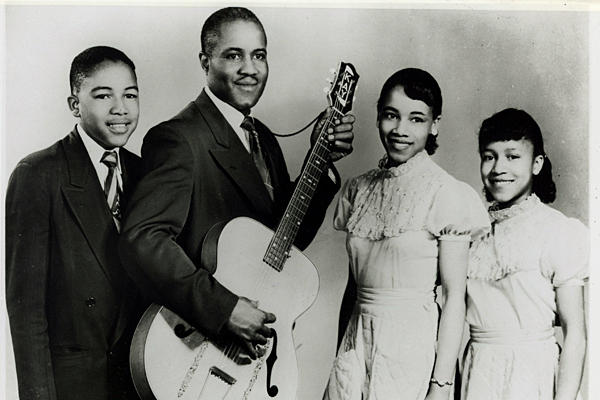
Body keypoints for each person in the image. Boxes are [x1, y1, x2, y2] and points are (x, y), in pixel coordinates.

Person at [119, 6, 354, 361]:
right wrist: (225, 308)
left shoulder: (263, 138)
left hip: (248, 354)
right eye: (233, 55)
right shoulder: (178, 138)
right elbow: (143, 240)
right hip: (195, 349)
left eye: (259, 55)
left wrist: (319, 163)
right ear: (205, 61)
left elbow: (282, 244)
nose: (250, 68)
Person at [324, 68, 489, 400]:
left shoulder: (446, 193)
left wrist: (441, 385)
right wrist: (340, 356)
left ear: (434, 125)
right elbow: (353, 289)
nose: (400, 129)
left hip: (410, 350)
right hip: (355, 344)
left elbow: (455, 298)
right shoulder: (359, 189)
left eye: (416, 119)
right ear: (378, 117)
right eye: (391, 115)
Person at [5, 46, 145, 400]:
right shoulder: (39, 174)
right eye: (103, 96)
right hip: (74, 386)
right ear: (74, 105)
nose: (120, 109)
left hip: (138, 378)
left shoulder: (145, 172)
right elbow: (27, 311)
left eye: (130, 95)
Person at [461, 108, 588, 400]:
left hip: (533, 374)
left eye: (512, 156)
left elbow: (575, 334)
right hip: (478, 373)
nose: (498, 168)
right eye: (489, 156)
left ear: (537, 163)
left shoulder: (557, 230)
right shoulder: (475, 235)